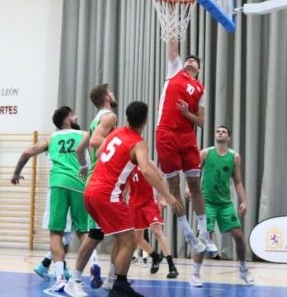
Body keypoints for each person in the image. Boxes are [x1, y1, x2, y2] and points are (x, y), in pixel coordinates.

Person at [78, 101, 183, 297]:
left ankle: (88, 279)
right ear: (145, 120)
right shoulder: (138, 143)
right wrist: (167, 195)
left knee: (103, 236)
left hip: (90, 190)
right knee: (130, 241)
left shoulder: (115, 133)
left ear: (126, 117)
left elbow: (99, 152)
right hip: (108, 194)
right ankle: (119, 285)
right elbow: (145, 170)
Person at [11, 106, 89, 296]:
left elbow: (27, 152)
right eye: (73, 114)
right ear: (67, 120)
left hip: (58, 184)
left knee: (56, 232)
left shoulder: (51, 138)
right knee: (83, 231)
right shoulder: (84, 134)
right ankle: (83, 271)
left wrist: (16, 172)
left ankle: (61, 279)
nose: (76, 116)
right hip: (79, 184)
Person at [156, 40, 211, 254]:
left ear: (198, 69)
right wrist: (171, 16)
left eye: (194, 62)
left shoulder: (200, 89)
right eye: (188, 59)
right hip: (167, 133)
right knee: (174, 186)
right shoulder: (175, 70)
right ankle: (187, 231)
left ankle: (204, 232)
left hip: (187, 136)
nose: (190, 61)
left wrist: (188, 114)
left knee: (195, 185)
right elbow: (172, 47)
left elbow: (202, 122)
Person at [64, 83, 119, 295]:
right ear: (106, 97)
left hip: (102, 180)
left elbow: (80, 149)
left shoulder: (95, 120)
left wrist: (84, 166)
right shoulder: (109, 118)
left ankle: (112, 279)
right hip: (101, 182)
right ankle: (74, 280)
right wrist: (120, 143)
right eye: (111, 92)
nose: (113, 94)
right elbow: (95, 141)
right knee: (95, 235)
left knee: (122, 233)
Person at [190, 126, 254, 287]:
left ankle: (243, 270)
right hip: (206, 202)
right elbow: (194, 173)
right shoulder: (205, 153)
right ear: (214, 135)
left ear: (229, 137)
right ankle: (196, 274)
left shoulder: (234, 157)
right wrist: (187, 188)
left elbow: (237, 182)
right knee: (204, 236)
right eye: (218, 131)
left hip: (225, 203)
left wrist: (244, 201)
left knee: (238, 235)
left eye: (224, 132)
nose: (220, 133)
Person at [127, 164, 179, 279]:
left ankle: (172, 266)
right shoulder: (127, 165)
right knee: (137, 239)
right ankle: (155, 256)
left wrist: (164, 198)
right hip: (134, 204)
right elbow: (124, 186)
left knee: (157, 232)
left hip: (149, 202)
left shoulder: (148, 162)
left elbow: (161, 178)